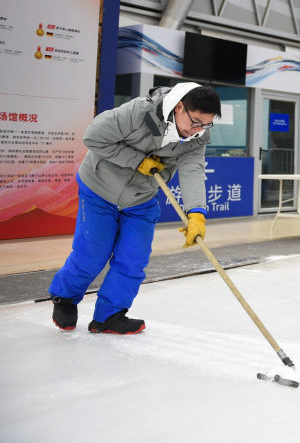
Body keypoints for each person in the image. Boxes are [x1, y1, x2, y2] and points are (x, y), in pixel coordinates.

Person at [49, 82, 221, 334]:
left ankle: (109, 315)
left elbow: (193, 168)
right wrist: (137, 161)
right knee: (93, 252)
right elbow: (93, 137)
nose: (197, 130)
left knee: (133, 258)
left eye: (206, 124)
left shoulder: (199, 134)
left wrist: (196, 212)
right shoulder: (139, 113)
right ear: (179, 106)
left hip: (143, 196)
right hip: (100, 187)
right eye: (195, 121)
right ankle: (64, 297)